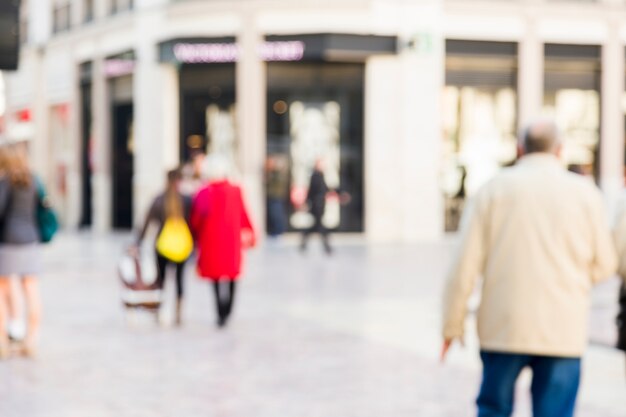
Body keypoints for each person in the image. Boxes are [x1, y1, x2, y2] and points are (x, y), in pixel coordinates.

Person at [441, 120, 617, 417]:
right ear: (559, 151)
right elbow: (605, 264)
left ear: (519, 148)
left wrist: (452, 325)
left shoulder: (492, 190)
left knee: (494, 409)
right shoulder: (585, 194)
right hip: (563, 328)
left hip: (503, 325)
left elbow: (464, 266)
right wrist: (572, 281)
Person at [191, 156, 255, 328]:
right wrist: (251, 233)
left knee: (216, 278)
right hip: (230, 242)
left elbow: (196, 219)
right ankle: (227, 310)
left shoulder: (204, 192)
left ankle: (221, 312)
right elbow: (244, 214)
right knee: (232, 275)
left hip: (211, 242)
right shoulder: (235, 190)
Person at [0, 144, 45, 358]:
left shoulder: (5, 181)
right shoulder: (34, 180)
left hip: (8, 241)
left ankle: (2, 341)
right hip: (31, 240)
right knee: (31, 290)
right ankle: (31, 340)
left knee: (2, 289)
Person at [135, 168, 192, 326]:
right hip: (182, 246)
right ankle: (178, 314)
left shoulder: (159, 199)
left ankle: (159, 310)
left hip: (163, 247)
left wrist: (138, 242)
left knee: (161, 280)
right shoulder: (186, 200)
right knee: (180, 280)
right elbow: (194, 223)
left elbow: (147, 222)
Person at [300, 159, 333, 254]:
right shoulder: (315, 176)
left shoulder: (321, 175)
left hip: (320, 204)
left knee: (316, 226)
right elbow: (311, 191)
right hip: (316, 205)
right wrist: (306, 202)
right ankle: (327, 246)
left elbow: (325, 189)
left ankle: (304, 238)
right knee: (320, 226)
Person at [265, 155, 289, 237]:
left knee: (276, 214)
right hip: (274, 197)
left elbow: (277, 186)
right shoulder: (271, 173)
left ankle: (278, 231)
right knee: (274, 214)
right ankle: (276, 230)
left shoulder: (276, 174)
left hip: (276, 197)